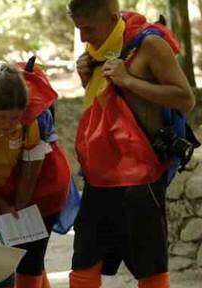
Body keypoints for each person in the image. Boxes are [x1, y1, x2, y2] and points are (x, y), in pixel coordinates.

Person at [68, 1, 196, 287]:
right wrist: (87, 77)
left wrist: (128, 80)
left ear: (114, 18)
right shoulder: (98, 47)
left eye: (88, 28)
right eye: (78, 29)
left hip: (141, 178)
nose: (84, 38)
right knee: (83, 265)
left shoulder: (149, 44)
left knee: (150, 267)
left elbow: (186, 99)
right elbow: (106, 103)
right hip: (98, 175)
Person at [0, 62, 72, 288]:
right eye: (2, 117)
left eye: (14, 118)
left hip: (44, 187)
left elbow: (31, 171)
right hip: (3, 188)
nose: (8, 124)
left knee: (29, 257)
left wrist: (17, 209)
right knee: (21, 253)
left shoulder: (33, 118)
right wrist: (0, 204)